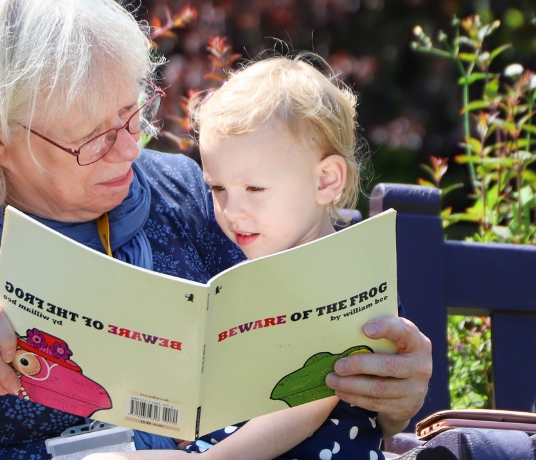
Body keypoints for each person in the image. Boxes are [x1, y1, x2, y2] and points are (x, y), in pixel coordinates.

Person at [0, 1, 431, 459]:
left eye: (131, 114)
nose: (127, 149)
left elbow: (315, 331)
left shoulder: (191, 198)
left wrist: (385, 390)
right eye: (92, 138)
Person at [85, 54, 426, 460]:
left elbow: (307, 401)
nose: (233, 211)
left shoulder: (337, 278)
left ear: (326, 180)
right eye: (217, 188)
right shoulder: (258, 276)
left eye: (255, 189)